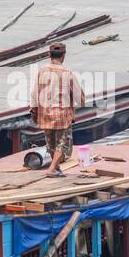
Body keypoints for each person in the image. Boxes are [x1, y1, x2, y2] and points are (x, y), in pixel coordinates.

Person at [30, 42, 85, 176]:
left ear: (49, 55)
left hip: (45, 112)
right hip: (62, 114)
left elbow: (34, 93)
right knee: (62, 142)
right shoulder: (67, 73)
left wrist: (33, 110)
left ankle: (56, 167)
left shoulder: (41, 71)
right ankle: (52, 168)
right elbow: (79, 97)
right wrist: (81, 103)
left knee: (50, 143)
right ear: (63, 56)